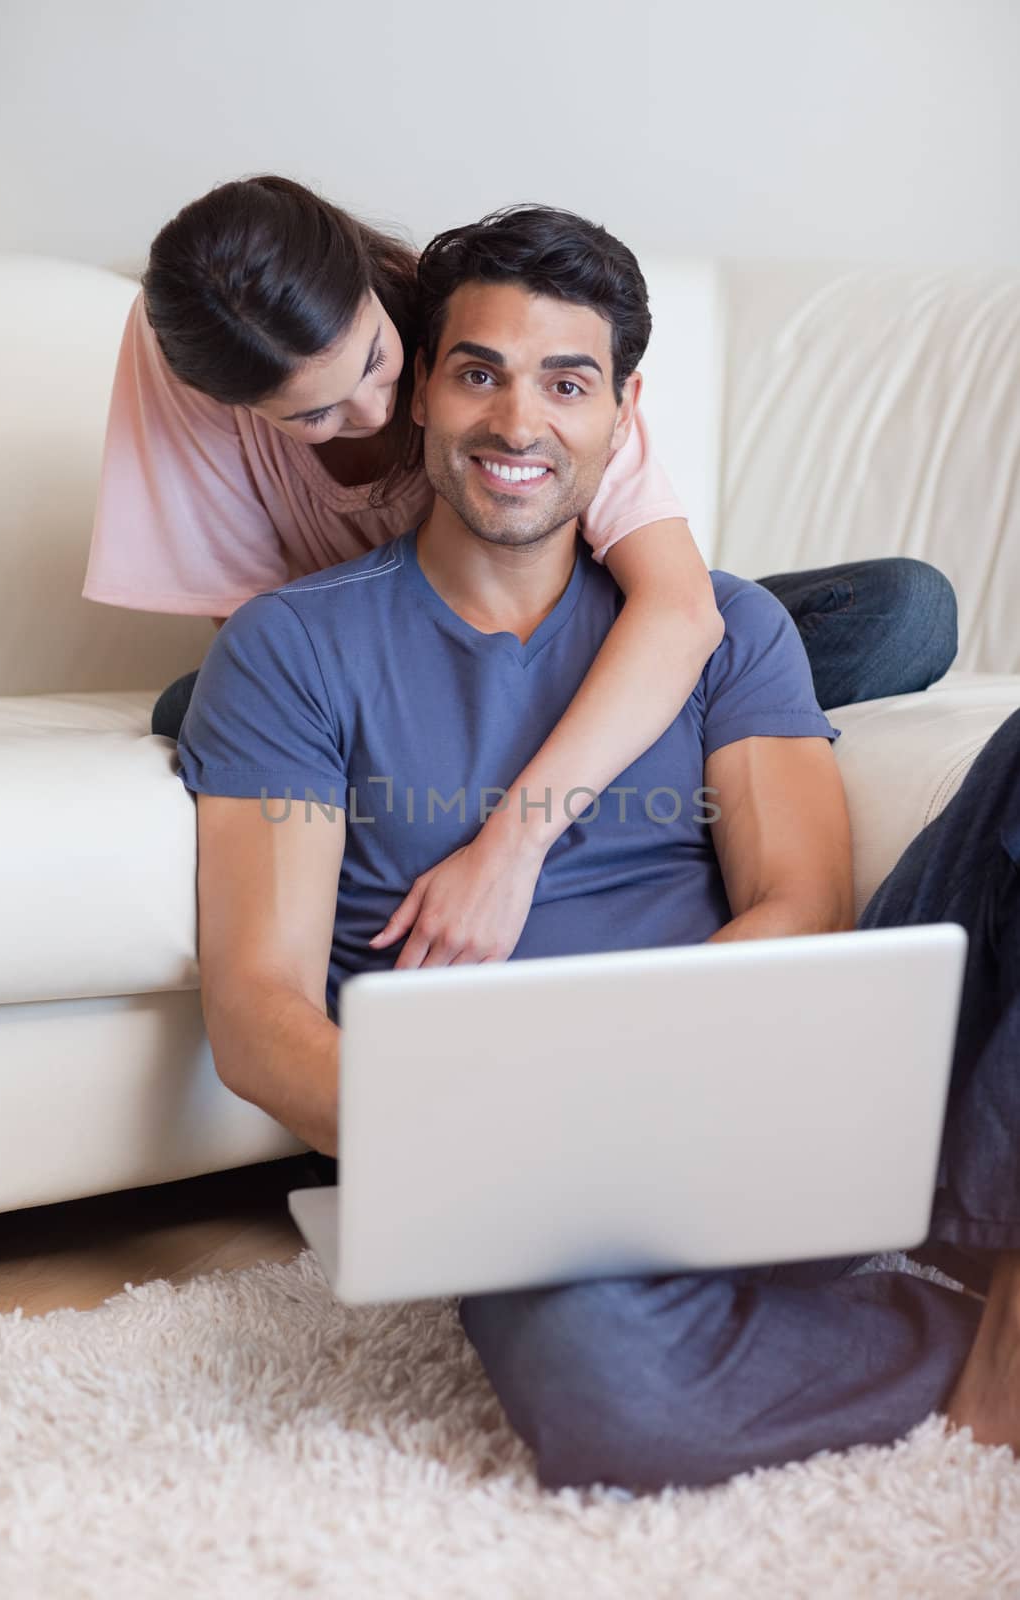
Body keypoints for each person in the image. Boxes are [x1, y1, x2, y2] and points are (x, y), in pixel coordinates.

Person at [174, 203, 1020, 1490]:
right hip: (530, 1173)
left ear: (622, 413)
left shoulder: (725, 627)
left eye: (565, 383)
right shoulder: (293, 650)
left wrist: (675, 1084)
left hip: (761, 1080)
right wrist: (500, 1144)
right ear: (421, 398)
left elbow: (799, 903)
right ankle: (948, 1332)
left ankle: (953, 1250)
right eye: (478, 373)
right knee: (608, 1389)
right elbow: (258, 1008)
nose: (518, 423)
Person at [82, 176, 957, 970]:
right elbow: (251, 620)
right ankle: (610, 726)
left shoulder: (507, 341)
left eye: (378, 365)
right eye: (315, 413)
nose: (374, 412)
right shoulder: (187, 374)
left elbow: (681, 609)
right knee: (206, 703)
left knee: (891, 612)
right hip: (371, 665)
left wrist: (510, 842)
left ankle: (641, 710)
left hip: (566, 623)